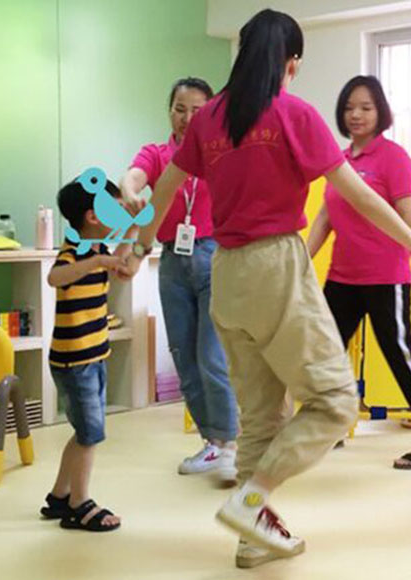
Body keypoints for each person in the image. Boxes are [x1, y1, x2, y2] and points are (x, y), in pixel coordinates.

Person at [122, 9, 411, 566]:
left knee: (260, 417)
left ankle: (254, 541)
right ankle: (252, 500)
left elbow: (164, 189)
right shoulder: (292, 113)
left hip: (226, 270)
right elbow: (361, 197)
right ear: (291, 64)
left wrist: (136, 250)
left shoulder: (208, 120)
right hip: (275, 265)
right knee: (335, 403)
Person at [307, 75, 411, 469]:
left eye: (365, 107)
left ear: (380, 111)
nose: (356, 114)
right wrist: (298, 262)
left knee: (401, 356)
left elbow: (407, 216)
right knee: (324, 354)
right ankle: (332, 427)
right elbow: (324, 218)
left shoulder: (393, 157)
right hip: (342, 278)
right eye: (349, 107)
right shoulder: (339, 160)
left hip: (386, 277)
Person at [121, 77, 238, 483]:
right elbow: (134, 176)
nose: (187, 118)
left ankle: (230, 445)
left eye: (197, 110)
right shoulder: (158, 154)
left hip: (216, 255)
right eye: (180, 109)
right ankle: (212, 442)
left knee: (212, 355)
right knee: (184, 357)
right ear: (169, 111)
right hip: (172, 259)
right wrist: (129, 191)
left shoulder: (223, 151)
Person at [39, 176, 130, 532]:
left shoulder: (99, 249)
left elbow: (122, 265)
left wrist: (137, 230)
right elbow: (55, 278)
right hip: (75, 362)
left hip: (93, 357)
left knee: (83, 432)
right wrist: (97, 263)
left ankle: (60, 496)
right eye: (116, 210)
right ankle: (80, 505)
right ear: (93, 216)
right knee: (89, 435)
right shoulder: (77, 251)